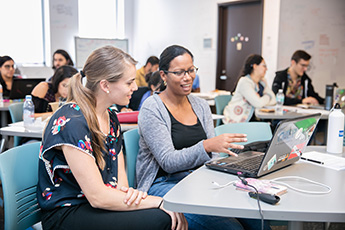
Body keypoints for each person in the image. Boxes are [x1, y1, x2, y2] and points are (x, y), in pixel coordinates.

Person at [37, 46, 187, 230]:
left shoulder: (110, 117)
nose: (135, 87)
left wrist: (134, 197)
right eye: (129, 82)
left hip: (95, 205)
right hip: (66, 213)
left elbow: (120, 183)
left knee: (161, 215)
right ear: (105, 85)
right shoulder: (72, 121)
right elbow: (97, 196)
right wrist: (158, 201)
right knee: (161, 218)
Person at [136, 45, 269, 230]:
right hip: (164, 183)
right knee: (231, 227)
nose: (188, 77)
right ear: (163, 75)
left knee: (257, 218)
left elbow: (214, 158)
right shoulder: (152, 108)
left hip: (201, 179)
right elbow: (168, 162)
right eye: (179, 72)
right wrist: (206, 146)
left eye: (191, 70)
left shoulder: (200, 105)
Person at [223, 54, 276, 123]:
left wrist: (262, 100)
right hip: (238, 120)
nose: (266, 69)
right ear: (255, 66)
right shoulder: (245, 82)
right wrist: (268, 96)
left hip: (253, 119)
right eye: (264, 66)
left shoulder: (262, 82)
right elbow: (258, 103)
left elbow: (274, 100)